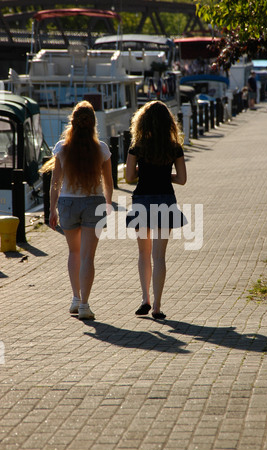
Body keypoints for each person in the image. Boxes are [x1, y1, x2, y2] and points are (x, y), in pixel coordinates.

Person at [40, 100, 113, 320]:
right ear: (93, 124)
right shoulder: (101, 149)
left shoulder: (62, 148)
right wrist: (108, 204)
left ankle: (74, 298)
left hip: (68, 204)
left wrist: (52, 209)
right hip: (94, 203)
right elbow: (108, 182)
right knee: (88, 257)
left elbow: (56, 182)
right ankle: (84, 304)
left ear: (72, 122)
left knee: (74, 252)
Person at [125, 100, 187, 320]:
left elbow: (129, 177)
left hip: (142, 200)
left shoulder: (137, 146)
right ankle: (158, 306)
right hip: (165, 201)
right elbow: (181, 179)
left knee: (144, 254)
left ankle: (145, 300)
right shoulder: (174, 147)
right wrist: (163, 175)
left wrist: (146, 173)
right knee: (160, 256)